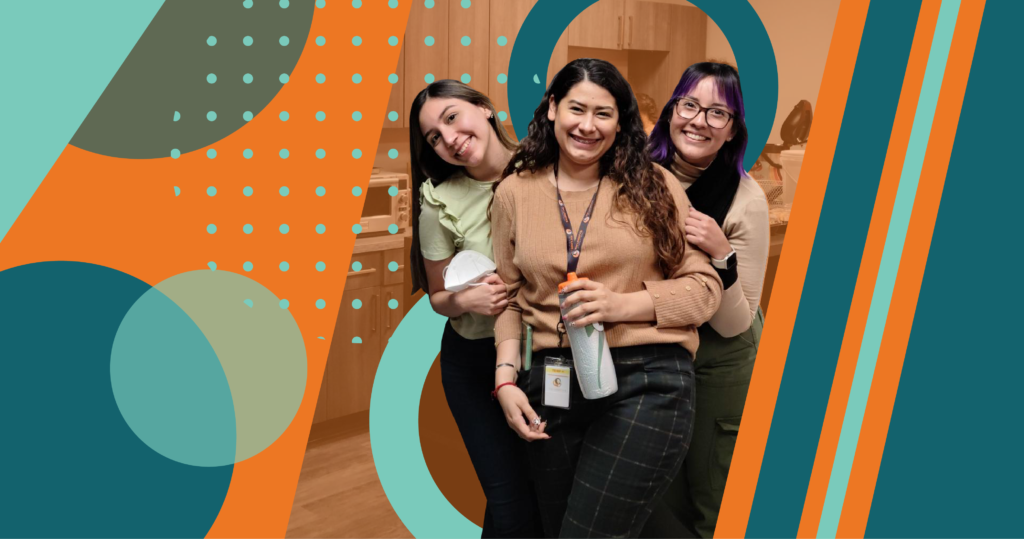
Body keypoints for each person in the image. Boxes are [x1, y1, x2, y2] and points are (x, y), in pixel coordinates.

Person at [489, 58, 723, 539]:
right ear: (552, 108)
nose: (588, 126)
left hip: (648, 379)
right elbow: (509, 299)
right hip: (551, 383)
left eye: (605, 114)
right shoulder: (514, 192)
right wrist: (505, 380)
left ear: (622, 123)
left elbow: (704, 289)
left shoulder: (654, 185)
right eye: (577, 108)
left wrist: (621, 306)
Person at [641, 62, 769, 539]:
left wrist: (722, 255)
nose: (699, 121)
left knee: (715, 498)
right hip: (657, 349)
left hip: (720, 358)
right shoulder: (638, 176)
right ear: (672, 111)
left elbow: (736, 322)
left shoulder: (744, 200)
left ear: (733, 129)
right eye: (690, 105)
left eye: (719, 113)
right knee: (659, 496)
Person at [409, 79, 541, 539]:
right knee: (508, 500)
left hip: (545, 357)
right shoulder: (439, 201)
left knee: (541, 496)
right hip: (474, 363)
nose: (449, 139)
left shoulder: (547, 167)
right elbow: (438, 297)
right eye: (433, 137)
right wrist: (466, 299)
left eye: (451, 118)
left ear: (483, 107)